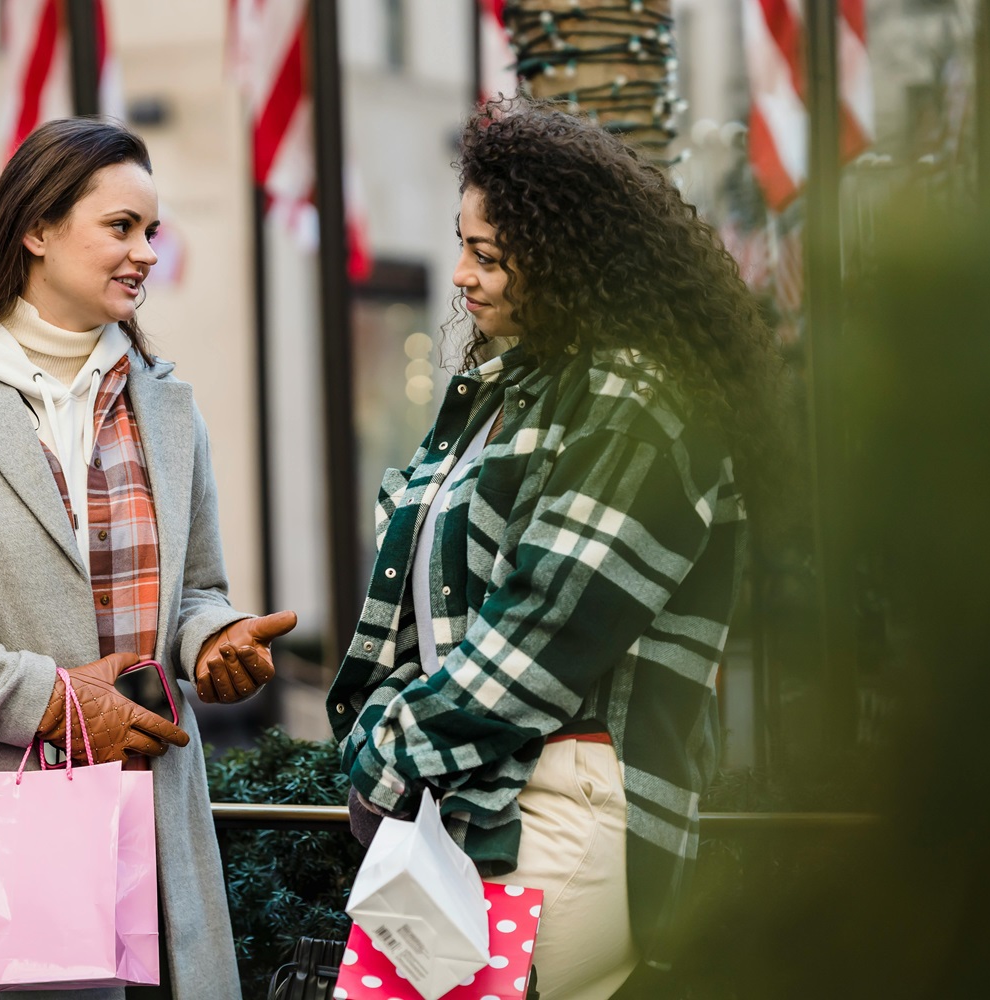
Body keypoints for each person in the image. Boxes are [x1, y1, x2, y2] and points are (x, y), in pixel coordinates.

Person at [0, 117, 295, 1000]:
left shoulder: (168, 408)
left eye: (151, 231)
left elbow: (190, 590)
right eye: (121, 227)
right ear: (37, 230)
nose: (146, 252)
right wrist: (48, 700)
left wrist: (212, 641)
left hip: (153, 830)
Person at [329, 99, 786, 998]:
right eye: (461, 244)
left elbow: (546, 625)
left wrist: (390, 747)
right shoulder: (512, 387)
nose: (461, 275)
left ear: (568, 258)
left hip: (558, 796)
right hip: (477, 792)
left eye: (488, 255)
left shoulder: (638, 401)